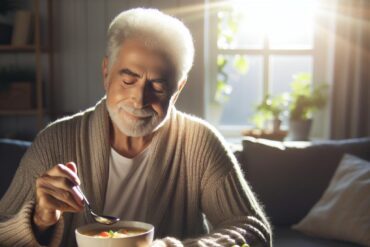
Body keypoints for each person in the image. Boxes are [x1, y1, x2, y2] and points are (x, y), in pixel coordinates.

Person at [0, 8, 271, 247]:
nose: (139, 100)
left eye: (158, 86)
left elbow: (254, 231)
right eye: (128, 80)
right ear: (106, 72)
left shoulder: (199, 142)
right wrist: (39, 221)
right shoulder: (55, 141)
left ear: (177, 90)